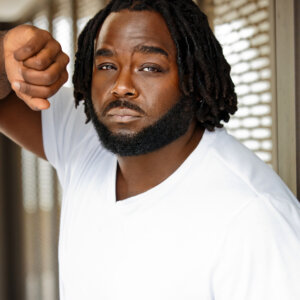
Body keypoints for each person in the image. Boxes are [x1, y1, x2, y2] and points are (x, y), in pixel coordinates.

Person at [1, 0, 300, 299]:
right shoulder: (84, 140)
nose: (121, 86)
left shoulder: (255, 219)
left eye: (150, 67)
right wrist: (5, 52)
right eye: (106, 65)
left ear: (193, 79)